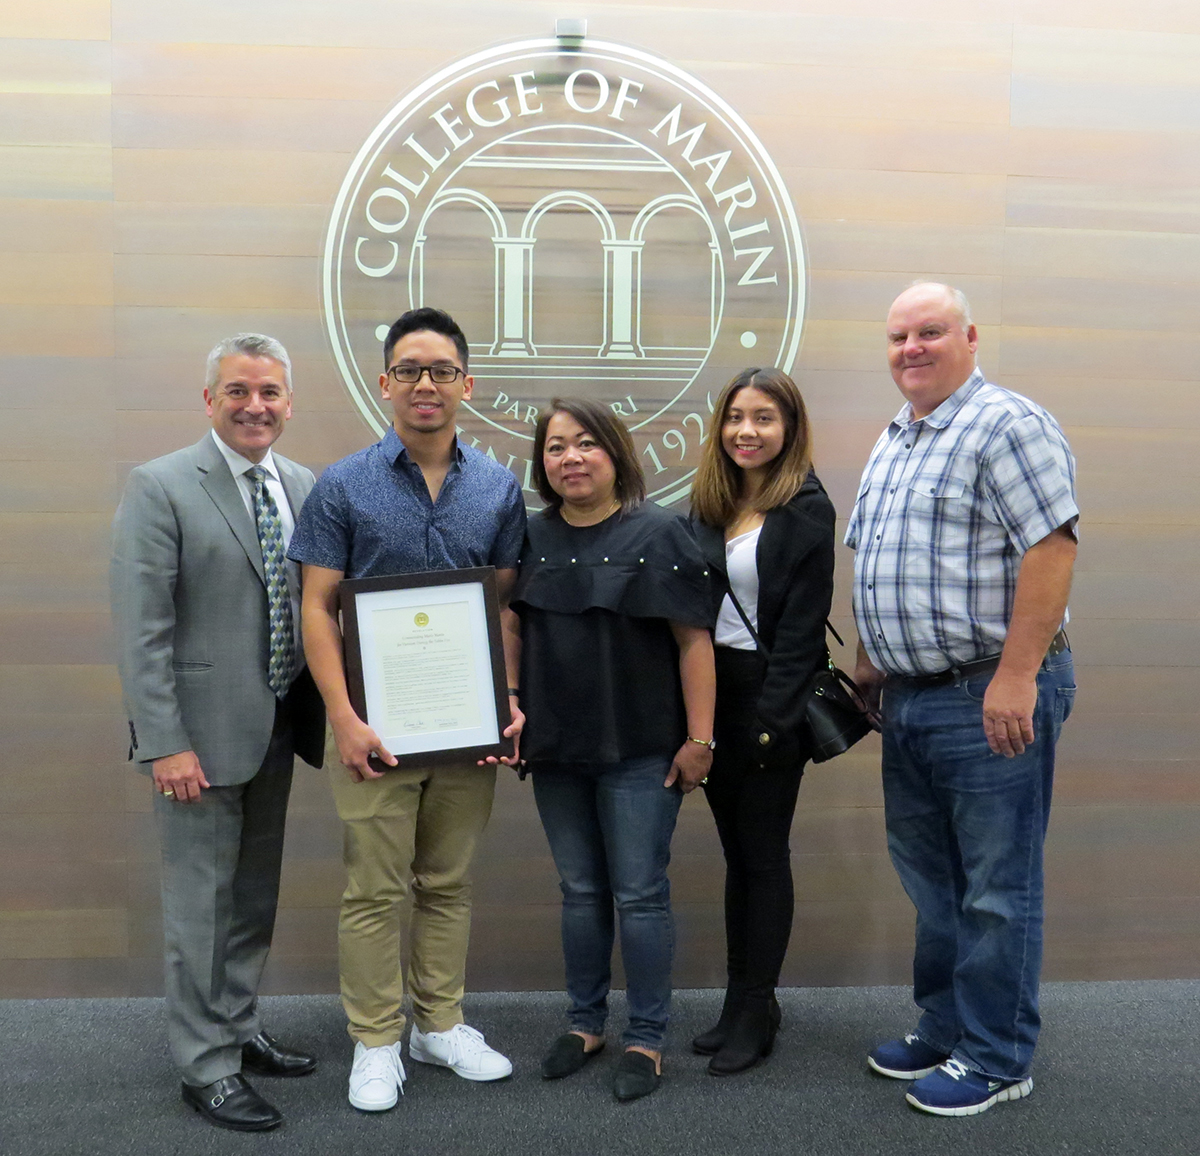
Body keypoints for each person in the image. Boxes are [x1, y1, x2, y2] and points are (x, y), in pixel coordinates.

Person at [846, 282, 1078, 1117]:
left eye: (930, 332)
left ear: (970, 337)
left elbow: (1051, 549)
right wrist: (871, 662)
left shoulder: (1009, 425)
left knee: (995, 887)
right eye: (899, 334)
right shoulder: (896, 439)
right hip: (911, 699)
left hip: (990, 692)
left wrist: (1016, 677)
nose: (912, 347)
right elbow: (877, 558)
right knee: (934, 883)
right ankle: (945, 1027)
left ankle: (997, 1055)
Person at [288, 307, 525, 1111]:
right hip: (372, 728)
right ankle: (377, 1039)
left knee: (449, 882)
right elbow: (316, 608)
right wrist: (344, 719)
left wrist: (509, 702)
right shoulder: (343, 484)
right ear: (385, 382)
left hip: (465, 728)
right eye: (411, 370)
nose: (428, 384)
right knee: (374, 890)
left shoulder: (497, 486)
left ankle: (439, 1024)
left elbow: (502, 609)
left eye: (443, 370)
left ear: (468, 384)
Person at [110, 334, 326, 1132]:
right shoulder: (161, 485)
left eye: (269, 392)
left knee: (250, 899)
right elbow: (143, 630)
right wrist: (163, 740)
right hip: (194, 741)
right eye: (237, 391)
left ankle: (236, 1030)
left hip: (276, 726)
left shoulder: (302, 485)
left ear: (288, 402)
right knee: (200, 907)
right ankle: (204, 1068)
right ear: (210, 401)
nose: (254, 406)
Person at [508, 398, 715, 1102]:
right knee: (581, 892)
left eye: (587, 443)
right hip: (557, 747)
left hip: (641, 749)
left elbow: (694, 642)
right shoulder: (527, 536)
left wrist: (700, 738)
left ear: (616, 453)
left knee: (641, 895)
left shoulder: (661, 530)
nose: (570, 457)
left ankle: (647, 1037)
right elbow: (510, 624)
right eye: (557, 446)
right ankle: (585, 1022)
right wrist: (506, 699)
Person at [688, 367, 836, 1076]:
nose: (747, 431)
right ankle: (741, 1002)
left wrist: (772, 728)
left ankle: (757, 1007)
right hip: (713, 696)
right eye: (736, 417)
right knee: (737, 857)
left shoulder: (806, 507)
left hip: (772, 702)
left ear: (789, 428)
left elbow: (803, 633)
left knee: (764, 856)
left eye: (764, 419)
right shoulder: (711, 502)